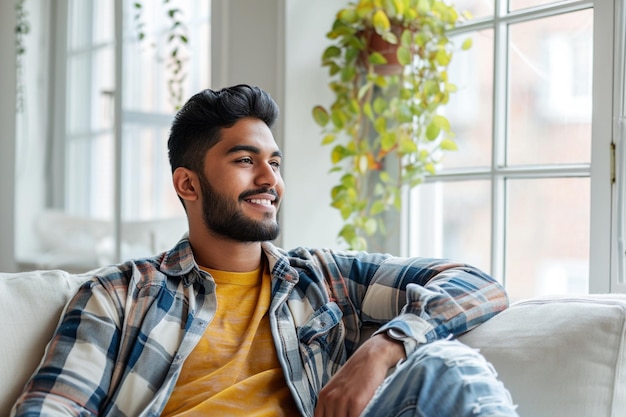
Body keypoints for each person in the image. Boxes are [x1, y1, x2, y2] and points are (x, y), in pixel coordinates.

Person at [11, 84, 519, 417]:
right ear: (187, 184)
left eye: (274, 162)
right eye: (244, 160)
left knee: (449, 370)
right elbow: (51, 408)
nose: (268, 179)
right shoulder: (121, 294)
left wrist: (382, 349)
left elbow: (475, 284)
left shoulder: (324, 277)